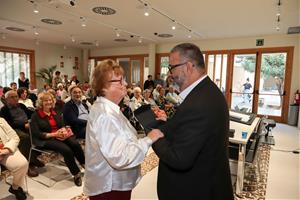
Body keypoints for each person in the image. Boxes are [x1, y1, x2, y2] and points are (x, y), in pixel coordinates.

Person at [151, 43, 234, 200]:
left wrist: (155, 135)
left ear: (188, 66)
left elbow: (179, 158)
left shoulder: (199, 103)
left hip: (194, 190)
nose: (170, 74)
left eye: (172, 68)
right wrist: (168, 123)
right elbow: (190, 129)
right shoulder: (206, 91)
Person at [84, 59, 163, 200]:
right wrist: (148, 139)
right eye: (120, 81)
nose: (125, 84)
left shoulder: (110, 108)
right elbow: (120, 157)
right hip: (109, 186)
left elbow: (123, 137)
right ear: (104, 87)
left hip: (114, 183)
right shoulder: (105, 115)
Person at [30, 92, 85, 186]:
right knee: (66, 150)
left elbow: (62, 124)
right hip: (46, 138)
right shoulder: (35, 116)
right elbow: (37, 134)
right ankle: (76, 173)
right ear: (41, 102)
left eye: (50, 100)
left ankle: (84, 164)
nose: (48, 102)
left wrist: (64, 130)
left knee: (75, 144)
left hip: (59, 135)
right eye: (45, 100)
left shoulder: (55, 111)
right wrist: (54, 134)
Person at [0, 117, 28, 200]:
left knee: (22, 164)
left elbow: (15, 137)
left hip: (6, 148)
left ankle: (15, 187)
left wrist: (6, 150)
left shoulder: (1, 120)